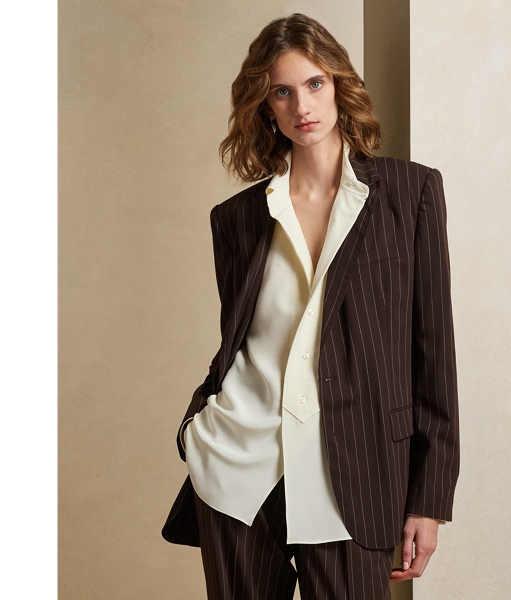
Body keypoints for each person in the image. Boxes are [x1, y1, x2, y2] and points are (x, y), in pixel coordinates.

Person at [162, 13, 459, 600]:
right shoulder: (238, 219)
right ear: (265, 106)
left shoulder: (410, 194)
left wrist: (430, 497)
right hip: (241, 473)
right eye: (282, 91)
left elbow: (434, 354)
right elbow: (242, 341)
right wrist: (196, 431)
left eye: (315, 83)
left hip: (354, 471)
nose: (302, 106)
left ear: (339, 85)